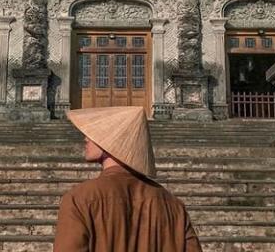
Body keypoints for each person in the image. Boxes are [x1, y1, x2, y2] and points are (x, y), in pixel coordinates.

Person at [53, 106, 203, 252]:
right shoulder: (173, 206)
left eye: (93, 133)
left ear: (110, 141)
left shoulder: (79, 199)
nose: (85, 138)